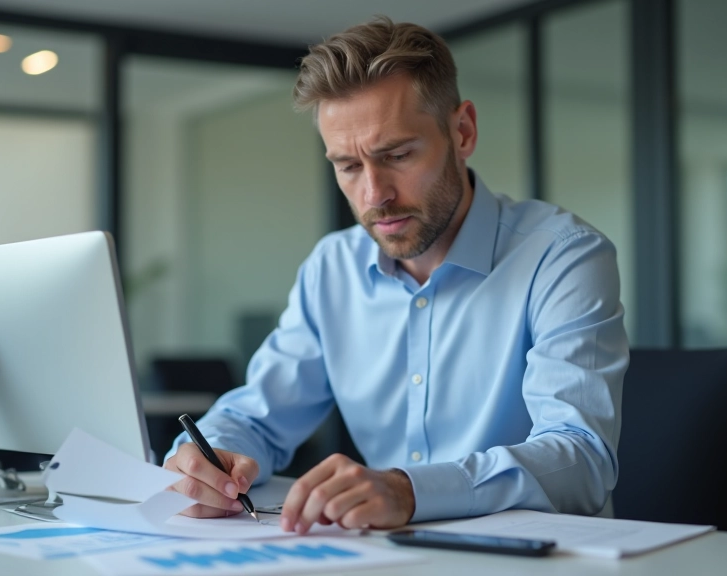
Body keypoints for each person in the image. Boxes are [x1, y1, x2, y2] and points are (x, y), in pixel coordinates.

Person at [163, 16, 628, 533]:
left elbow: (581, 460)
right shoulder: (331, 269)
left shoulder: (562, 257)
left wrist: (410, 490)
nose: (373, 195)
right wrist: (206, 459)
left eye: (398, 155)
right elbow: (256, 417)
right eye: (348, 166)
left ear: (463, 131)